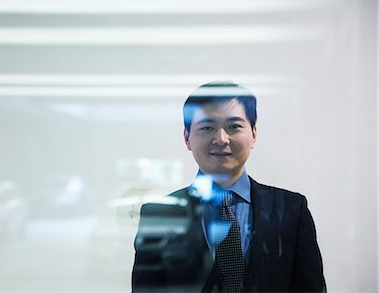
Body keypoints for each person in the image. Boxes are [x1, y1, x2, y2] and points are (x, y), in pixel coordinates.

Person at [132, 81, 326, 292]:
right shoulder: (161, 213)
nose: (221, 139)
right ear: (187, 138)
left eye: (234, 126)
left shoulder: (291, 209)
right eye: (207, 127)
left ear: (253, 134)